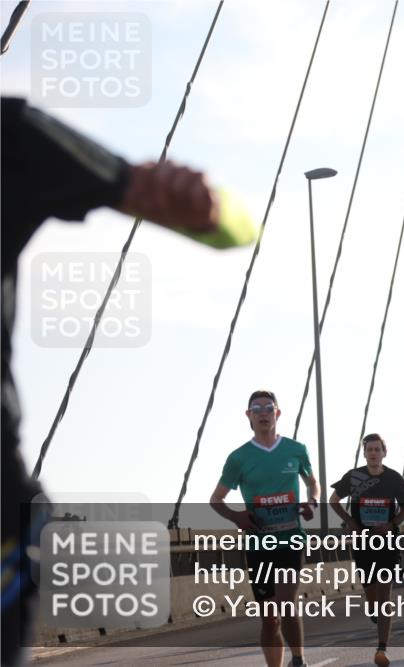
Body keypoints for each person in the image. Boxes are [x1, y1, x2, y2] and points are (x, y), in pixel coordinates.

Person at [1, 96, 220, 666]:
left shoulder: (13, 133)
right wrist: (184, 193)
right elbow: (162, 195)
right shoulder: (13, 131)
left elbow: (153, 191)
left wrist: (174, 192)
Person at [210, 390, 318, 667]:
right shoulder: (239, 458)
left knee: (285, 603)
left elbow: (311, 482)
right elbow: (216, 500)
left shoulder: (296, 449)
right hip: (259, 544)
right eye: (256, 409)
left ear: (277, 414)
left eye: (268, 408)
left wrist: (312, 500)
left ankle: (298, 659)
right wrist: (237, 518)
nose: (262, 413)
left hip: (291, 538)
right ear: (248, 416)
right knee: (270, 617)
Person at [330, 434, 404, 667]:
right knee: (371, 591)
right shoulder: (354, 477)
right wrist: (349, 521)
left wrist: (392, 524)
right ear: (364, 453)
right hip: (363, 542)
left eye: (377, 449)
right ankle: (371, 606)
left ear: (384, 452)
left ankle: (382, 648)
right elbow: (334, 500)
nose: (373, 453)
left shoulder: (394, 478)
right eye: (369, 450)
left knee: (385, 594)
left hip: (387, 542)